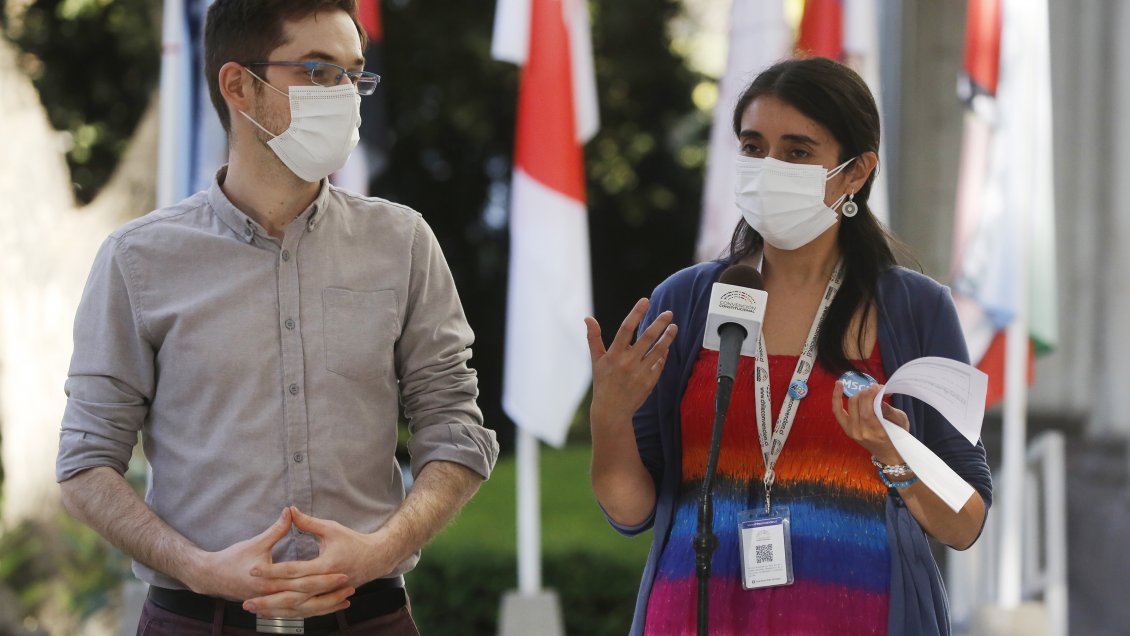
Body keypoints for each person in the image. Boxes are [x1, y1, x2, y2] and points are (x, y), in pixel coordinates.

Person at [55, 1, 499, 633]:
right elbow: (84, 462)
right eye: (318, 71)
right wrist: (198, 566)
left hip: (370, 618)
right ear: (239, 85)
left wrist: (385, 548)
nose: (344, 94)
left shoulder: (402, 242)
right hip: (194, 618)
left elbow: (456, 427)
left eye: (354, 74)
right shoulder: (138, 259)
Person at [585, 57, 992, 636]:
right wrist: (609, 414)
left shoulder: (917, 310)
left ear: (856, 173)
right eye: (753, 147)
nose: (768, 167)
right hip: (697, 615)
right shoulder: (689, 299)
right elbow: (632, 510)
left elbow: (966, 521)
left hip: (865, 617)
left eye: (798, 152)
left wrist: (893, 454)